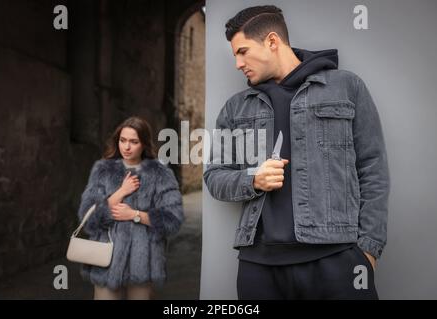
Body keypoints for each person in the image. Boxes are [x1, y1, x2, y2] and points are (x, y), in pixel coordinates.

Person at [204, 5, 390, 299]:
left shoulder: (346, 87)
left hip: (336, 259)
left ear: (272, 41)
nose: (237, 63)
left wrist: (368, 249)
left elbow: (373, 168)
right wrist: (253, 179)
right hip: (259, 267)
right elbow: (214, 176)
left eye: (242, 51)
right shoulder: (235, 108)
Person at [77, 116, 184, 300]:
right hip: (107, 262)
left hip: (143, 264)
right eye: (123, 140)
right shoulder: (103, 170)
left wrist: (135, 215)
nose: (126, 147)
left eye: (134, 142)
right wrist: (120, 192)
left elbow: (173, 219)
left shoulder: (161, 174)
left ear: (144, 144)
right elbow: (88, 218)